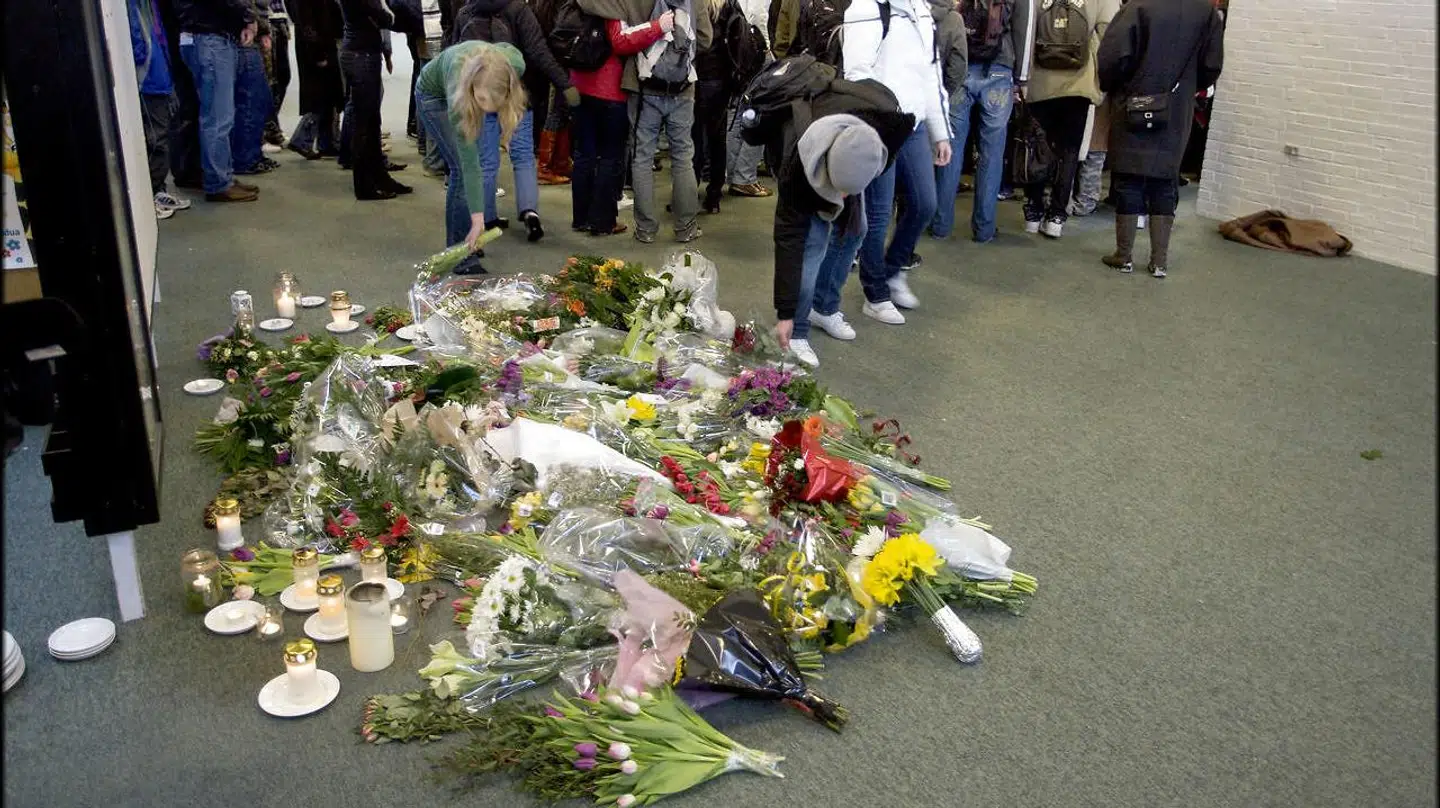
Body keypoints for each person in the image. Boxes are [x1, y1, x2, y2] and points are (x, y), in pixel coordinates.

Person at [772, 88, 913, 367]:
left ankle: (823, 307)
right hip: (806, 160)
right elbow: (789, 242)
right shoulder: (794, 164)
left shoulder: (891, 127)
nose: (843, 199)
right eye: (840, 190)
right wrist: (785, 314)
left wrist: (850, 190)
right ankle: (798, 328)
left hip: (855, 147)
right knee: (813, 243)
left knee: (855, 230)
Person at [835, 0, 950, 326]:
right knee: (878, 212)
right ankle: (876, 293)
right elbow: (857, 74)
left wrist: (940, 133)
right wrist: (880, 121)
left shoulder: (921, 11)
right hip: (880, 125)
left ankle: (892, 270)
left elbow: (931, 74)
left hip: (913, 126)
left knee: (925, 204)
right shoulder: (866, 7)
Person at [1097, 0, 1222, 277]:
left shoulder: (1137, 7)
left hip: (1133, 101)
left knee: (1129, 178)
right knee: (1166, 178)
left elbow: (1112, 57)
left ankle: (1124, 255)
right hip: (1177, 107)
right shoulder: (1205, 12)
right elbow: (1212, 65)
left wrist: (1117, 86)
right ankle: (1159, 262)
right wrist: (1187, 86)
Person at [578, 0, 714, 244]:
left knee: (642, 157)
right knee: (683, 156)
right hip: (683, 87)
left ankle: (646, 229)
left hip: (643, 84)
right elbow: (704, 39)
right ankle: (685, 227)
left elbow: (592, 6)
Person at [452, 0, 582, 240]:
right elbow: (537, 50)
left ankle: (488, 218)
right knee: (522, 156)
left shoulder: (466, 12)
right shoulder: (518, 10)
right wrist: (564, 83)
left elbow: (453, 54)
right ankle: (530, 212)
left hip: (481, 97)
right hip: (516, 93)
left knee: (486, 162)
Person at [415, 41, 529, 273]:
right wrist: (479, 220)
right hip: (432, 96)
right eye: (481, 100)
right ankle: (460, 255)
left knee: (470, 164)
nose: (486, 108)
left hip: (470, 85)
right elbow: (470, 166)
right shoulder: (458, 93)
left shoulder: (513, 66)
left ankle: (468, 241)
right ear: (472, 87)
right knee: (460, 167)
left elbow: (508, 47)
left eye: (492, 104)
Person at [932, 0, 1032, 241]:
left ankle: (940, 225)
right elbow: (1024, 30)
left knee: (950, 148)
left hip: (960, 66)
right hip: (999, 71)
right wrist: (1022, 78)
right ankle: (984, 229)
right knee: (992, 153)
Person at [569, 12, 674, 235]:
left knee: (584, 154)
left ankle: (581, 217)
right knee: (610, 157)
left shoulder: (582, 6)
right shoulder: (614, 8)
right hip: (609, 89)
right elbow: (621, 41)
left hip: (580, 83)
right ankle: (602, 221)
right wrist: (658, 27)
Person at [1019, 0, 1115, 238]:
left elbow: (1025, 25)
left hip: (1039, 79)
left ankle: (1033, 212)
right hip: (1078, 82)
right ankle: (1056, 217)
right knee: (1069, 151)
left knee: (1037, 148)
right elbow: (1109, 32)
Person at [175, 0, 262, 201]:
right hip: (210, 38)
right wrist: (248, 16)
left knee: (215, 115)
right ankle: (218, 182)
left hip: (204, 35)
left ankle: (221, 175)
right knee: (217, 117)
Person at [338, 0, 410, 199]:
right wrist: (398, 16)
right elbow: (384, 17)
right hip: (360, 55)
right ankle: (364, 186)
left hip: (364, 53)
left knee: (371, 122)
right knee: (364, 124)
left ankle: (379, 176)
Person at [128, 0, 193, 219]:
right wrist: (142, 64)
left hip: (159, 72)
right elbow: (137, 38)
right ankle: (149, 195)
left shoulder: (150, 5)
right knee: (154, 139)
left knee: (162, 135)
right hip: (147, 77)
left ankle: (159, 189)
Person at [926, 0, 968, 240]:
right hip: (941, 96)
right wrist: (943, 94)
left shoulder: (909, 11)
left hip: (900, 100)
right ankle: (941, 226)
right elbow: (958, 65)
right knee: (948, 156)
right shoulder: (954, 19)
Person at [286, 0, 345, 159]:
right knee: (319, 95)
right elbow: (306, 20)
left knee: (329, 96)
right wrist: (317, 52)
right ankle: (302, 139)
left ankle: (326, 143)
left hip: (323, 43)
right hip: (316, 48)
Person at [234, 0, 278, 175]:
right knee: (250, 101)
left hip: (253, 32)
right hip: (246, 36)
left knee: (258, 101)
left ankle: (252, 154)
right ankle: (246, 158)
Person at [263, 0, 292, 146]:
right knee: (271, 80)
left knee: (282, 77)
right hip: (268, 23)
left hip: (279, 23)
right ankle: (269, 129)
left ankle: (270, 126)